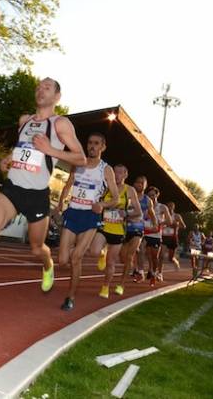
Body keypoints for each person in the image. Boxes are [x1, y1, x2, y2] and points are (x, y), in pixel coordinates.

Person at [0, 78, 85, 313]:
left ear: (57, 97)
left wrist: (51, 150)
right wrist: (8, 158)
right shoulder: (24, 121)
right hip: (12, 189)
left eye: (47, 88)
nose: (41, 90)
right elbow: (21, 149)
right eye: (39, 86)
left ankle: (47, 263)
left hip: (37, 195)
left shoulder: (60, 124)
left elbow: (80, 158)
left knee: (36, 248)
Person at [53, 132, 119, 311]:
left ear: (103, 147)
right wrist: (60, 205)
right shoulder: (78, 163)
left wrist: (102, 204)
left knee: (76, 258)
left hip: (90, 216)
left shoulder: (106, 169)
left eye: (96, 143)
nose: (92, 146)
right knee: (62, 260)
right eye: (90, 143)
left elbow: (115, 198)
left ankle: (70, 297)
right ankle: (79, 248)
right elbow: (68, 185)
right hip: (73, 213)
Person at [93, 164, 141, 298]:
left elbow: (138, 211)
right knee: (95, 250)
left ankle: (105, 287)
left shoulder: (129, 190)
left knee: (111, 262)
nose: (117, 175)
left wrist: (125, 213)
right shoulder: (107, 187)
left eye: (120, 173)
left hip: (118, 231)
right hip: (103, 226)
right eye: (115, 172)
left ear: (126, 175)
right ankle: (102, 252)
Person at [121, 176, 150, 283]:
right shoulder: (127, 195)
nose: (139, 184)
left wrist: (155, 223)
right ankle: (133, 267)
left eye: (142, 183)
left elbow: (150, 215)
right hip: (124, 227)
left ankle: (137, 272)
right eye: (137, 182)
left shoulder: (147, 200)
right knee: (123, 257)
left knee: (130, 255)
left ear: (145, 186)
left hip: (138, 229)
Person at [162, 201, 185, 270]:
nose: (169, 208)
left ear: (173, 207)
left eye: (171, 206)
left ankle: (176, 262)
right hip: (164, 236)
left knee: (170, 258)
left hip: (173, 237)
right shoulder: (163, 215)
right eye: (168, 206)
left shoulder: (177, 216)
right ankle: (159, 273)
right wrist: (164, 224)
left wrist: (177, 225)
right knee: (161, 256)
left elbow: (183, 226)